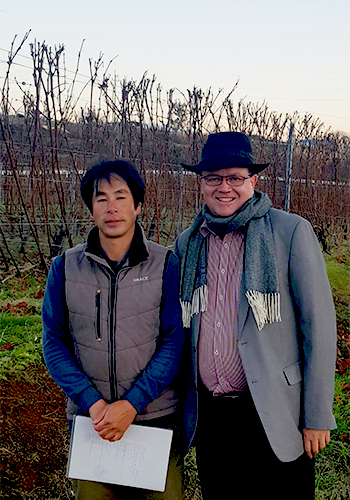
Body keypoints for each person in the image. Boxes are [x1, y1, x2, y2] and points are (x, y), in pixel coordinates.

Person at [174, 132, 337, 500]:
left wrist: (316, 417)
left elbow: (320, 328)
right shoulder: (188, 242)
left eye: (235, 177)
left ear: (253, 181)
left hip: (276, 410)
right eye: (213, 178)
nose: (224, 188)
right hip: (212, 418)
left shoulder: (289, 232)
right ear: (201, 184)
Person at [42, 159, 185, 500]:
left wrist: (132, 404)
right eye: (101, 198)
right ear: (91, 209)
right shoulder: (64, 268)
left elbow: (175, 340)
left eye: (121, 197)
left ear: (138, 206)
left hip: (155, 419)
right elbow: (54, 342)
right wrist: (93, 404)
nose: (112, 208)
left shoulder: (165, 264)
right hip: (95, 425)